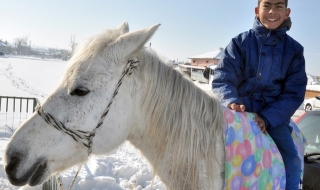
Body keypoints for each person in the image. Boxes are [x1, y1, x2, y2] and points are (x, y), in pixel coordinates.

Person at [212, 0, 307, 189]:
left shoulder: (295, 51)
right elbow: (224, 77)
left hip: (274, 119)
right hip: (239, 112)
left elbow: (293, 93)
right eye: (267, 5)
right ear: (257, 10)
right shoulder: (240, 43)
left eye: (279, 6)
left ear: (287, 12)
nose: (272, 11)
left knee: (293, 161)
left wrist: (267, 117)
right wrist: (231, 101)